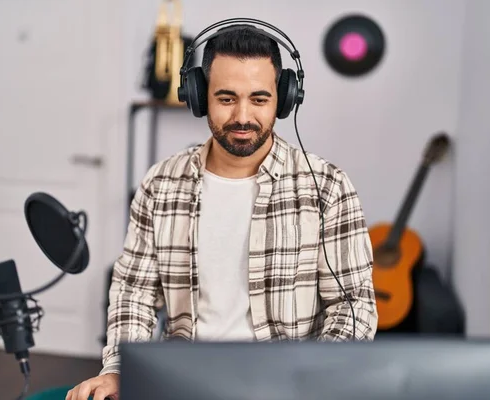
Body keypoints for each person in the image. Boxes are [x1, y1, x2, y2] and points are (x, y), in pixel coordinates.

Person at [66, 22, 377, 400]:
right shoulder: (161, 183)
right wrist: (117, 370)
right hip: (184, 384)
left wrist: (312, 382)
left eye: (259, 99)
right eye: (226, 98)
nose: (243, 117)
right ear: (199, 97)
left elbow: (353, 308)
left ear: (284, 99)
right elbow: (135, 292)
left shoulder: (327, 187)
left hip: (288, 388)